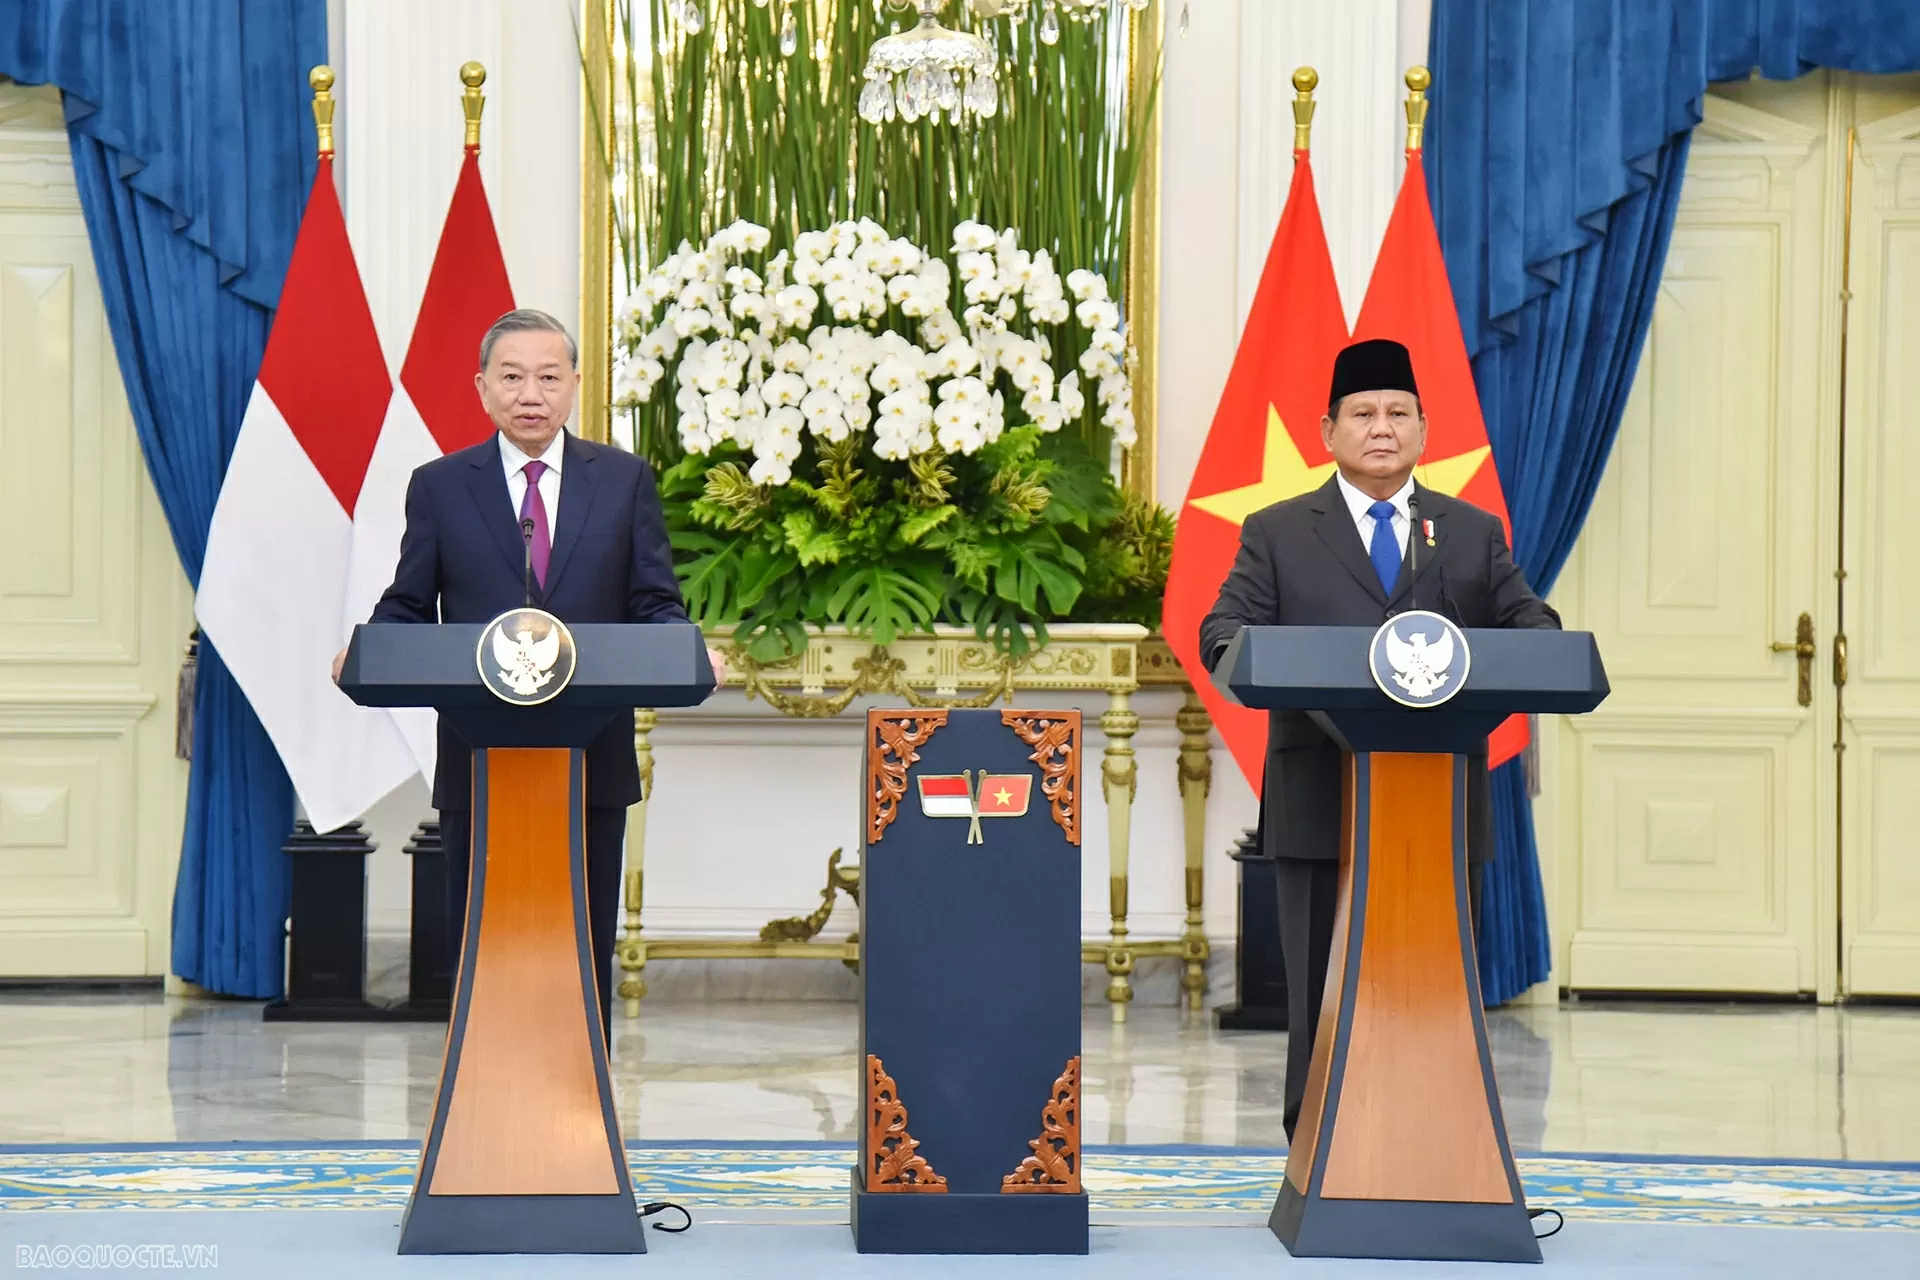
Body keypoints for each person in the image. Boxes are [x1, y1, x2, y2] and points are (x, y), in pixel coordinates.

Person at [1199, 337, 1558, 1142]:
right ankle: (1317, 1159)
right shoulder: (1279, 531)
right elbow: (1223, 629)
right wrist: (1260, 659)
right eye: (1363, 413)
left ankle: (1434, 1149)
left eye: (1399, 413)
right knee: (1322, 993)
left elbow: (1533, 627)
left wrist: (1521, 649)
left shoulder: (1469, 532)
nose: (1382, 427)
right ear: (1327, 431)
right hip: (1319, 801)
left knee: (1431, 991)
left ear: (1425, 431)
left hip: (1436, 809)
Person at [332, 307, 723, 1048]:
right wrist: (369, 651)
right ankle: (482, 1101)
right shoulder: (442, 486)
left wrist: (687, 650)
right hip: (482, 763)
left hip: (590, 763)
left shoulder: (623, 481)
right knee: (485, 950)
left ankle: (582, 1113)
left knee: (579, 949)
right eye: (511, 377)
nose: (530, 393)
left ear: (575, 385)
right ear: (482, 389)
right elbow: (408, 605)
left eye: (548, 377)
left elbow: (655, 603)